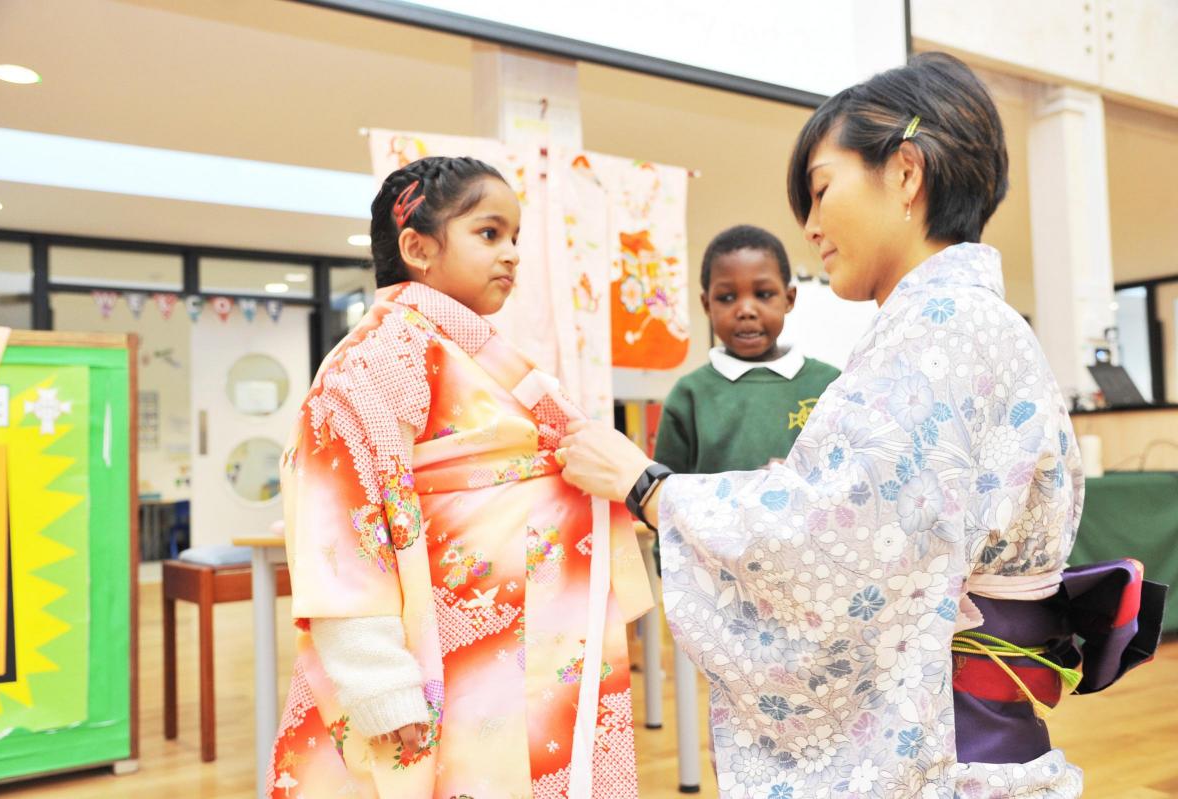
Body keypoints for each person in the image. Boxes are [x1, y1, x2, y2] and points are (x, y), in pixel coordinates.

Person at [557, 53, 1162, 798]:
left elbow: (838, 533)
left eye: (820, 191)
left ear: (906, 172)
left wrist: (647, 486)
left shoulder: (943, 327)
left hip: (950, 739)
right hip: (976, 731)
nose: (811, 226)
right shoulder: (956, 322)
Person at [267, 156, 653, 799]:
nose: (512, 253)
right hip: (458, 630)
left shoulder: (463, 347)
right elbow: (338, 521)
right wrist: (378, 679)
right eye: (489, 233)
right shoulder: (378, 355)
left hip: (521, 624)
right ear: (417, 248)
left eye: (515, 237)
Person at [653, 223, 840, 475]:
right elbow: (664, 490)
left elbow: (852, 474)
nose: (746, 311)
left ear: (789, 299)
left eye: (763, 294)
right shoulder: (689, 395)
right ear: (707, 305)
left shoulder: (830, 385)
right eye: (727, 298)